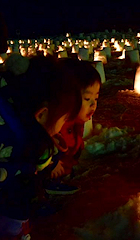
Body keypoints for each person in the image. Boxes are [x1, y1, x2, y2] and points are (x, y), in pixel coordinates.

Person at [0, 56, 91, 239]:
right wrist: (19, 168)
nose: (63, 127)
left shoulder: (14, 114)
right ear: (42, 114)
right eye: (64, 119)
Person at [44, 59, 101, 195]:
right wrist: (50, 165)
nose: (93, 105)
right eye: (87, 99)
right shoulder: (56, 125)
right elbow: (41, 146)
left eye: (96, 99)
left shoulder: (75, 122)